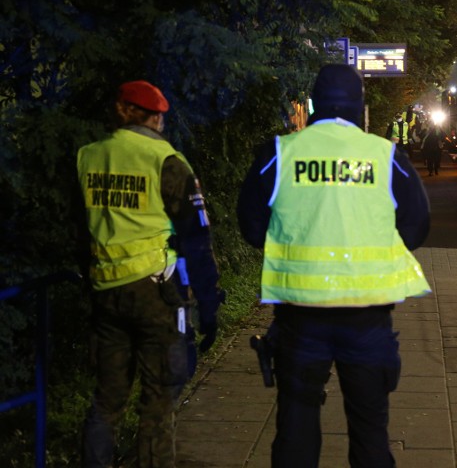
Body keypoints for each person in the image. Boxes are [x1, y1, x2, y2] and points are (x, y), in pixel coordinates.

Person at [237, 64, 431, 468]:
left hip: (300, 319)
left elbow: (251, 226)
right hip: (367, 319)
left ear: (313, 105)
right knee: (369, 431)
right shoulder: (385, 156)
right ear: (361, 107)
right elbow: (417, 225)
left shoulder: (279, 154)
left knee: (295, 427)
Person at [76, 80, 223, 468]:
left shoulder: (89, 157)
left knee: (107, 401)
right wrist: (208, 307)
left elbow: (81, 230)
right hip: (155, 294)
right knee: (158, 402)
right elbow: (196, 238)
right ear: (156, 118)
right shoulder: (166, 161)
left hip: (106, 292)